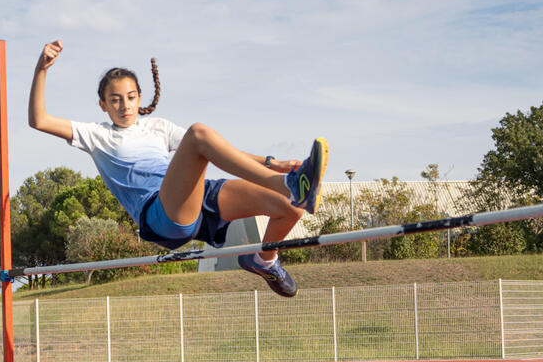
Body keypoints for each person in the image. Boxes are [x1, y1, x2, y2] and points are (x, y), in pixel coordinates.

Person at [28, 40, 328, 297]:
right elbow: (39, 120)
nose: (124, 106)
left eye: (131, 98)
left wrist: (270, 162)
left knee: (290, 209)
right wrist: (42, 68)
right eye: (115, 100)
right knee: (198, 134)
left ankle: (264, 261)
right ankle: (288, 184)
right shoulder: (97, 135)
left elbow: (216, 148)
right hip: (161, 214)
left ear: (140, 98)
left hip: (197, 197)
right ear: (103, 105)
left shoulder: (158, 127)